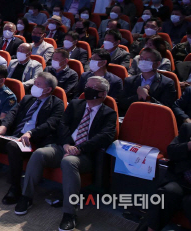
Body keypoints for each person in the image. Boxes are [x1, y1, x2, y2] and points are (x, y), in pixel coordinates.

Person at [15, 76, 117, 231]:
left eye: (92, 88)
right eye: (86, 86)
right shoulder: (76, 104)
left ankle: (70, 214)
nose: (86, 90)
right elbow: (62, 125)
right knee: (40, 154)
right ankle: (26, 197)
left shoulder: (109, 113)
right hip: (64, 145)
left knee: (68, 162)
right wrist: (67, 144)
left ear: (102, 94)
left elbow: (105, 137)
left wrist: (80, 148)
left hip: (85, 154)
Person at [0, 72, 64, 204]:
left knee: (12, 146)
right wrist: (4, 126)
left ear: (48, 89)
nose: (34, 86)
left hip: (33, 140)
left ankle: (15, 188)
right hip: (15, 136)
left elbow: (51, 124)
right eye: (35, 83)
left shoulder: (57, 104)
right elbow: (12, 114)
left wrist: (31, 133)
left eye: (38, 84)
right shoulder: (28, 99)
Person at [137, 123, 191, 231]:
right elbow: (171, 151)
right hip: (183, 179)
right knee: (166, 193)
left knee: (188, 202)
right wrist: (188, 146)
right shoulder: (188, 128)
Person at [117, 47, 177, 116]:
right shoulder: (130, 80)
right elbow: (122, 104)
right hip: (133, 116)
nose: (143, 61)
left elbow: (167, 108)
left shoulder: (167, 83)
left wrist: (148, 97)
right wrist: (138, 97)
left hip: (155, 118)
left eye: (147, 59)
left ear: (157, 64)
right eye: (141, 59)